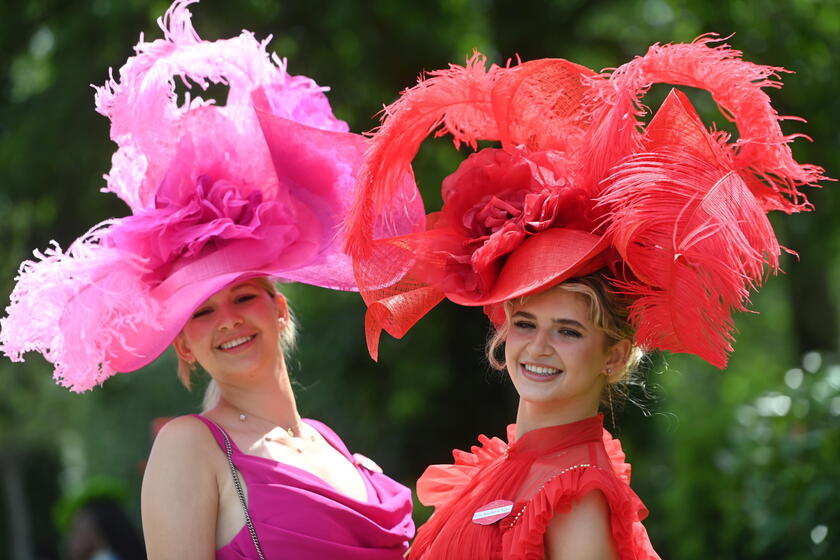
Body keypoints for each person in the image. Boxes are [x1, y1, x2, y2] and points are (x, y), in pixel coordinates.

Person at [345, 37, 828, 558]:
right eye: (526, 322)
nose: (538, 346)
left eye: (569, 330)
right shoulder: (502, 471)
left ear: (614, 355)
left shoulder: (578, 492)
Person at [0, 1, 420, 558]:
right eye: (201, 311)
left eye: (243, 296)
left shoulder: (339, 453)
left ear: (279, 309)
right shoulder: (190, 448)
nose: (228, 320)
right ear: (184, 343)